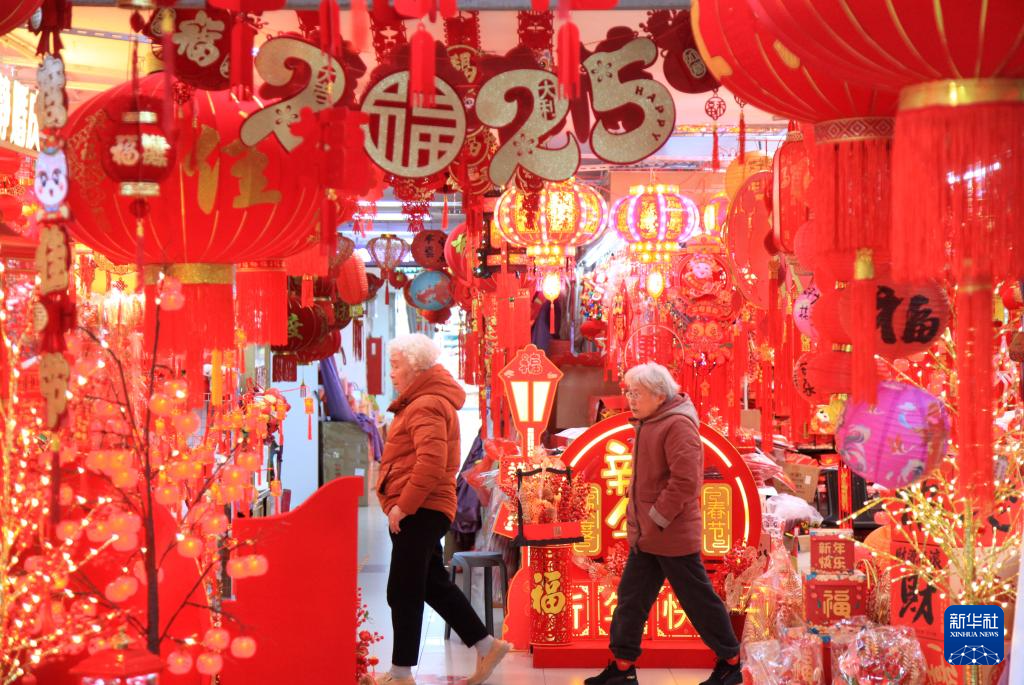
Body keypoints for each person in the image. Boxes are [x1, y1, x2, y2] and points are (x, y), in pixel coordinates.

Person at [585, 363, 742, 685]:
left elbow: (686, 481)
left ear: (659, 395)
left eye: (637, 393)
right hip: (648, 536)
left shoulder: (677, 424)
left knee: (697, 600)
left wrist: (656, 517)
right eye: (629, 392)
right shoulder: (651, 421)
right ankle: (623, 668)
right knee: (631, 600)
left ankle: (731, 662)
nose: (631, 399)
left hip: (671, 535)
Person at [376, 334, 510, 685]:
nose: (392, 373)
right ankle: (487, 645)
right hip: (425, 506)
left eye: (396, 366)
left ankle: (400, 673)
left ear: (415, 368)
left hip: (421, 507)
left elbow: (431, 463)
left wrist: (403, 506)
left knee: (402, 589)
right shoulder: (425, 401)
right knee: (431, 583)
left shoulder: (425, 404)